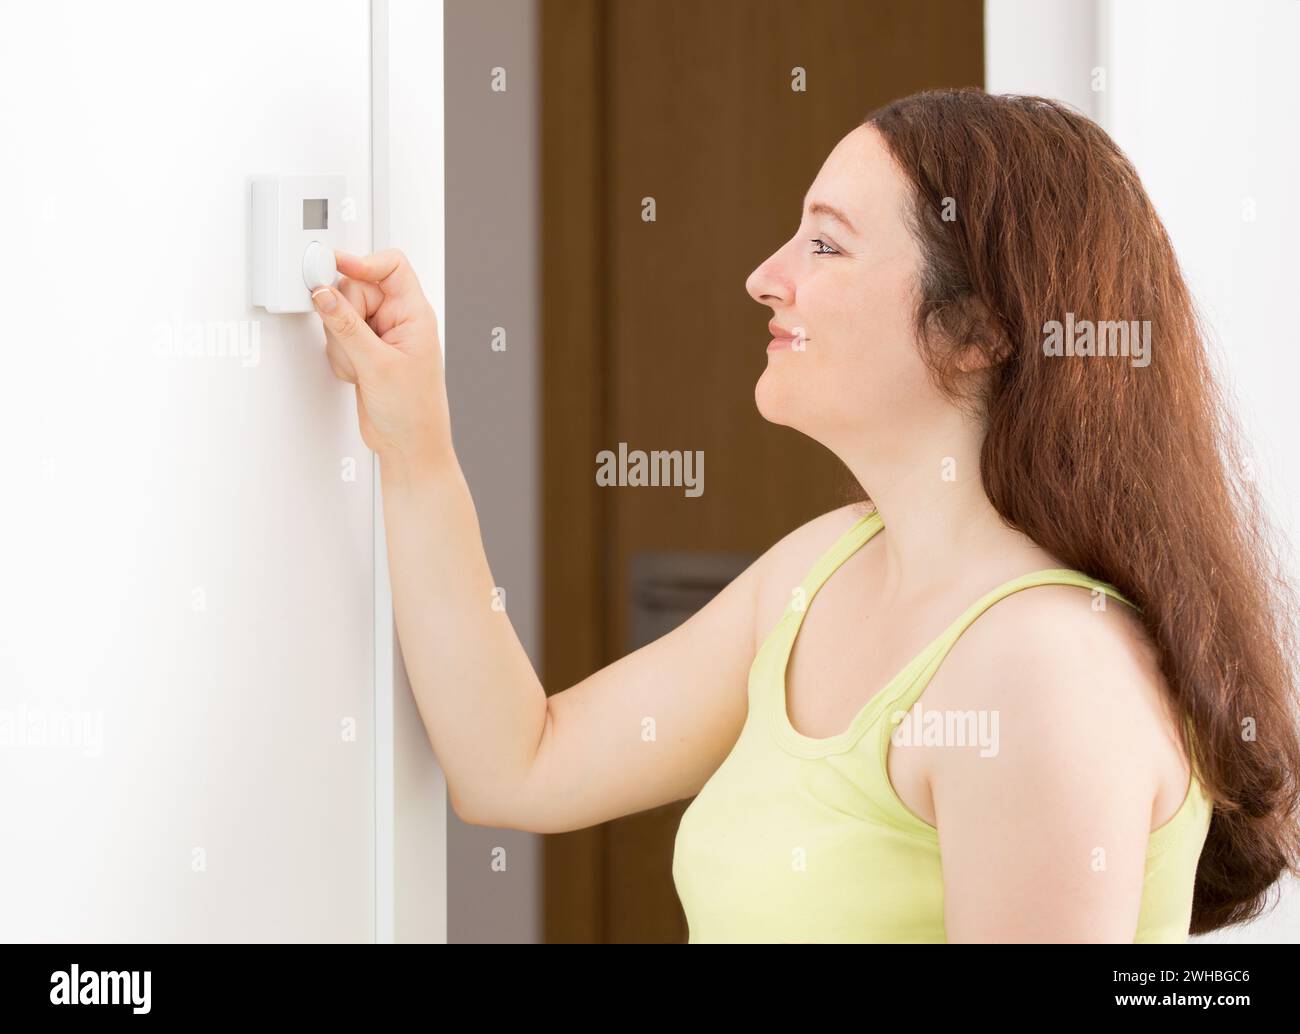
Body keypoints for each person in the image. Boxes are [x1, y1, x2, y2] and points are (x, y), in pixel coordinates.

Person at [309, 88, 1300, 943]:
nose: (764, 277)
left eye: (824, 242)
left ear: (976, 330)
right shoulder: (818, 572)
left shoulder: (1041, 666)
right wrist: (415, 443)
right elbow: (517, 763)